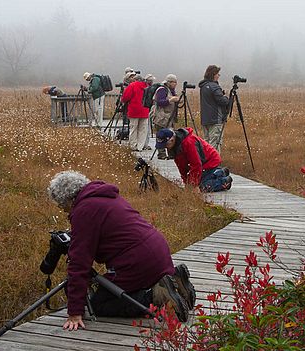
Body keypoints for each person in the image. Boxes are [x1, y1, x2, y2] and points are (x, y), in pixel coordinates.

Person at [47, 171, 196, 331]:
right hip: (157, 252)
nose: (64, 211)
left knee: (99, 304)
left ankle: (156, 297)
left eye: (62, 206)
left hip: (137, 262)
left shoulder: (84, 210)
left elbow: (79, 263)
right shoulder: (104, 196)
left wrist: (75, 312)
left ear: (69, 199)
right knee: (114, 287)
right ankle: (172, 282)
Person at [155, 128, 232, 192]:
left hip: (210, 161)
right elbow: (181, 166)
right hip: (202, 163)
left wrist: (193, 185)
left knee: (201, 187)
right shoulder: (174, 146)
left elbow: (196, 165)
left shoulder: (189, 142)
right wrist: (186, 182)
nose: (165, 148)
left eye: (165, 145)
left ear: (172, 140)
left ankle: (225, 181)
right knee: (193, 183)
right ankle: (221, 172)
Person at [198, 65, 230, 154]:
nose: (219, 76)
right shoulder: (214, 86)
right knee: (215, 143)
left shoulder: (203, 86)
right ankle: (214, 165)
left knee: (206, 143)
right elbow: (222, 101)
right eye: (217, 74)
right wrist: (227, 98)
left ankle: (206, 163)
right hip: (216, 119)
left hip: (205, 119)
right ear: (213, 74)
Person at [151, 74, 179, 159]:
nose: (175, 84)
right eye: (173, 82)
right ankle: (161, 154)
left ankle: (171, 153)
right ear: (169, 82)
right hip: (161, 116)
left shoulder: (171, 90)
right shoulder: (162, 90)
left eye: (175, 82)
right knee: (161, 135)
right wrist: (170, 100)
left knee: (170, 135)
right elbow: (160, 102)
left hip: (169, 117)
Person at [121, 74, 149, 151]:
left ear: (135, 80)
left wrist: (123, 101)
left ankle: (133, 145)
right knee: (142, 129)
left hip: (134, 110)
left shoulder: (132, 85)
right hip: (145, 110)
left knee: (133, 128)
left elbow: (126, 97)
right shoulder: (147, 86)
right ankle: (141, 146)